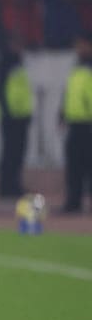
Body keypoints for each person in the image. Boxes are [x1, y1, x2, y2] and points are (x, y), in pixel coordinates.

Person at [0, 35, 34, 199]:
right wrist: (7, 112)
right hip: (10, 116)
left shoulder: (18, 64)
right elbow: (1, 92)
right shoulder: (4, 65)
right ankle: (6, 186)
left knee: (17, 152)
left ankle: (13, 184)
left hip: (21, 115)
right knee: (10, 152)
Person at [59, 32, 92, 214]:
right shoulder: (77, 67)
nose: (78, 49)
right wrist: (62, 114)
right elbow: (69, 93)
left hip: (88, 123)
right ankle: (73, 201)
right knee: (74, 166)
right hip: (75, 123)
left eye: (82, 45)